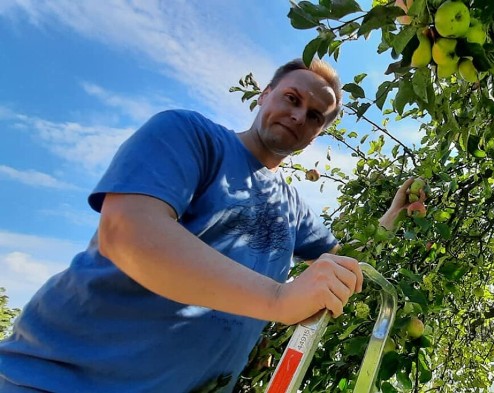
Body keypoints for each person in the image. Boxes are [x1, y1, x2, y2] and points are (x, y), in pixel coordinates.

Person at [0, 58, 413, 392]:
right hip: (53, 381)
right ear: (264, 94)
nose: (298, 115)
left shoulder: (291, 207)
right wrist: (276, 299)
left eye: (315, 116)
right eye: (291, 97)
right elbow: (128, 232)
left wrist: (394, 212)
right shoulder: (191, 135)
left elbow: (347, 259)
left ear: (318, 133)